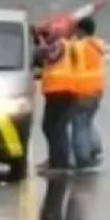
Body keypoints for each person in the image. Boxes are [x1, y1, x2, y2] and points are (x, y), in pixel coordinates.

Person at [36, 25, 78, 172]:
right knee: (55, 127)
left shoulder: (59, 44)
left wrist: (41, 46)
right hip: (58, 90)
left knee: (53, 127)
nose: (44, 38)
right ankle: (57, 159)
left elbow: (50, 57)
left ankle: (60, 162)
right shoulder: (62, 45)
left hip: (60, 90)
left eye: (45, 34)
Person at [70, 16, 106, 168]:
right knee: (87, 122)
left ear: (81, 30)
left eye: (76, 30)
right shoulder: (98, 45)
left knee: (79, 125)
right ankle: (95, 147)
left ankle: (83, 158)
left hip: (82, 91)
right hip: (97, 90)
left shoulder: (79, 47)